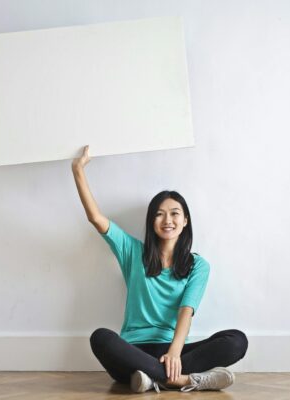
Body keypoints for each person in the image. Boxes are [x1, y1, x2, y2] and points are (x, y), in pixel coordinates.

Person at [71, 145, 248, 393]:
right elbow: (96, 218)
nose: (167, 220)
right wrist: (77, 169)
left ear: (185, 221)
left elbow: (186, 311)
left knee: (236, 340)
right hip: (133, 350)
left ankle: (151, 378)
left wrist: (175, 351)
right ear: (151, 221)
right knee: (101, 338)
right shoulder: (132, 252)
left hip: (174, 351)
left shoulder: (198, 265)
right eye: (159, 214)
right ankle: (185, 381)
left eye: (175, 214)